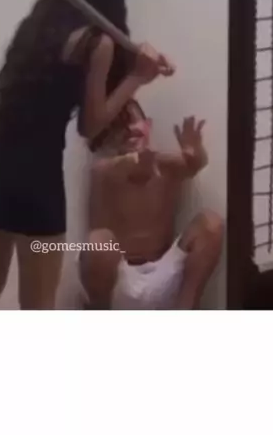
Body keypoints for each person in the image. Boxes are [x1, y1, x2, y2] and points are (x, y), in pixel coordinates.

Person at [0, 0, 174, 310]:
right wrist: (138, 78)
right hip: (35, 180)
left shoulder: (36, 28)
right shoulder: (96, 43)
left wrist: (135, 63)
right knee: (39, 306)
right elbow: (91, 126)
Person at [78, 100, 223, 309]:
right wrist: (134, 161)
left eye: (133, 121)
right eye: (118, 127)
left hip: (164, 275)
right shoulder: (103, 170)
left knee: (211, 224)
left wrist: (196, 151)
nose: (128, 130)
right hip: (120, 282)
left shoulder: (165, 164)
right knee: (97, 243)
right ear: (110, 138)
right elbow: (118, 168)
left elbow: (194, 165)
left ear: (148, 125)